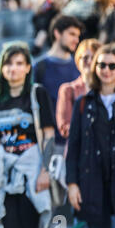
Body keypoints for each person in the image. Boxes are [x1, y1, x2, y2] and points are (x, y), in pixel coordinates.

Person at [56, 39, 115, 228]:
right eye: (101, 64)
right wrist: (72, 183)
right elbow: (72, 142)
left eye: (112, 65)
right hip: (89, 181)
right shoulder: (82, 101)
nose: (106, 70)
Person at [0, 41, 54, 228]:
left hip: (32, 174)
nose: (13, 68)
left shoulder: (37, 94)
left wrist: (45, 171)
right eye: (8, 64)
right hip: (6, 175)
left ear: (27, 67)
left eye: (19, 63)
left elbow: (49, 135)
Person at [33, 14, 83, 154]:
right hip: (48, 143)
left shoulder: (80, 67)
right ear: (57, 33)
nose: (76, 39)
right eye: (71, 34)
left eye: (78, 35)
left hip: (75, 143)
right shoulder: (39, 67)